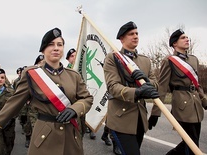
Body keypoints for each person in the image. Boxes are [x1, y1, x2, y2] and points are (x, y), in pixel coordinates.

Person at [0, 27, 93, 155]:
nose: (56, 48)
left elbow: (87, 98)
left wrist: (75, 109)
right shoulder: (32, 75)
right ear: (43, 49)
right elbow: (12, 105)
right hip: (45, 137)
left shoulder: (74, 75)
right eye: (51, 44)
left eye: (60, 44)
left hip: (71, 135)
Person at [103, 21, 160, 155]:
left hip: (139, 118)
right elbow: (113, 87)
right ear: (122, 39)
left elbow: (155, 84)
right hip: (121, 118)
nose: (135, 36)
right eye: (131, 34)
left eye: (136, 33)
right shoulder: (112, 58)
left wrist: (146, 82)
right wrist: (138, 92)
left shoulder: (145, 60)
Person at [158, 29, 207, 155]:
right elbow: (162, 88)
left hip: (195, 106)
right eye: (183, 38)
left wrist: (204, 100)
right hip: (181, 105)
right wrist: (155, 112)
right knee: (192, 144)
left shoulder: (194, 59)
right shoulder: (168, 61)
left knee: (190, 142)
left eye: (187, 37)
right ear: (175, 43)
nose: (187, 39)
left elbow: (197, 84)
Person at [66, 48, 96, 139]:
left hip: (84, 96)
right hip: (73, 101)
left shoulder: (84, 68)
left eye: (76, 55)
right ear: (68, 59)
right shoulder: (66, 71)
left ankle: (91, 129)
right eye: (72, 56)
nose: (74, 58)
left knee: (88, 114)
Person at [0, 69, 15, 155]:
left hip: (8, 124)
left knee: (8, 145)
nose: (0, 79)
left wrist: (11, 119)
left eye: (2, 77)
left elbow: (17, 108)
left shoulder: (11, 93)